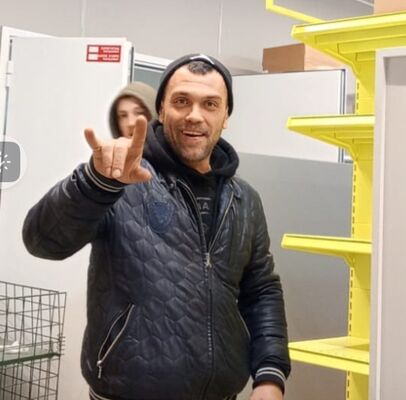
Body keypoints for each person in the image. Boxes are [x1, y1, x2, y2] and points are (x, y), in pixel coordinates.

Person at [23, 54, 291, 400]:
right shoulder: (121, 181)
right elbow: (43, 241)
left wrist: (270, 374)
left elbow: (261, 291)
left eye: (210, 104)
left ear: (225, 116)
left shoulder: (245, 200)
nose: (195, 115)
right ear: (161, 110)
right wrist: (94, 182)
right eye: (181, 101)